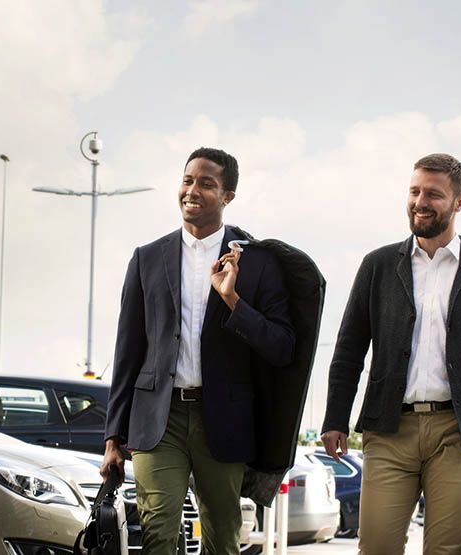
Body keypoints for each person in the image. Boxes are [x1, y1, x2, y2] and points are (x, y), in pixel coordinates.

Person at [321, 153, 461, 554]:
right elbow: (348, 349)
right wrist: (335, 419)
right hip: (389, 428)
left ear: (458, 203)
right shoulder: (377, 266)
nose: (420, 202)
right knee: (377, 545)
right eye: (414, 191)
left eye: (433, 194)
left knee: (445, 550)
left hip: (457, 433)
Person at [102, 147, 295, 554]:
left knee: (223, 537)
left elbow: (281, 346)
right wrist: (113, 437)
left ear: (228, 197)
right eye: (188, 180)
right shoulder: (147, 259)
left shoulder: (259, 263)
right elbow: (128, 352)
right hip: (159, 419)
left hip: (223, 419)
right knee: (157, 532)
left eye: (207, 184)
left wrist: (234, 303)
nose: (192, 190)